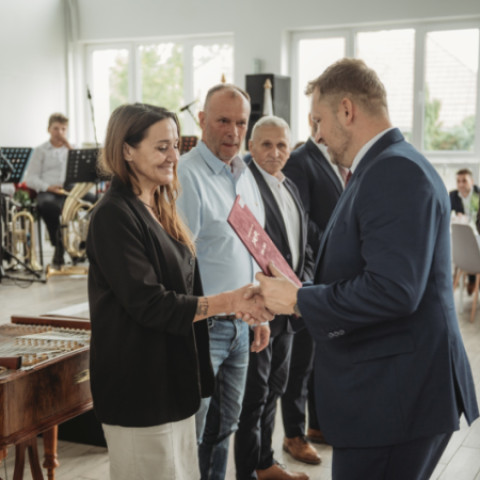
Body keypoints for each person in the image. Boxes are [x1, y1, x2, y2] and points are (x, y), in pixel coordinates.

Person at [251, 58, 479, 480]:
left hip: (394, 399)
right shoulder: (384, 165)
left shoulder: (393, 170)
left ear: (347, 110)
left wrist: (300, 300)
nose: (317, 135)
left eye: (318, 120)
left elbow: (392, 289)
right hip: (393, 393)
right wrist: (292, 295)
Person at [86, 103, 272, 480]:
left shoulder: (160, 204)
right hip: (139, 384)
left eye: (175, 145)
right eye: (161, 147)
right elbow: (150, 304)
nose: (174, 156)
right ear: (126, 150)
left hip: (174, 376)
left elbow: (187, 283)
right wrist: (228, 301)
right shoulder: (113, 215)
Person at [177, 84, 271, 480]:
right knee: (193, 433)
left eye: (241, 123)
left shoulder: (244, 173)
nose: (233, 131)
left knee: (224, 428)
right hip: (205, 327)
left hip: (241, 325)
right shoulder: (186, 174)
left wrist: (258, 314)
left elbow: (251, 249)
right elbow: (179, 263)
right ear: (201, 120)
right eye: (223, 121)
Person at [234, 116, 314, 480]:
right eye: (266, 144)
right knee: (254, 395)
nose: (275, 152)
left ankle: (265, 463)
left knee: (275, 389)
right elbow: (245, 252)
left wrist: (302, 289)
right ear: (251, 147)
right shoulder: (245, 187)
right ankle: (249, 471)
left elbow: (304, 245)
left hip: (289, 308)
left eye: (282, 145)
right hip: (262, 309)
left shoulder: (289, 185)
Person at [280, 117, 345, 464]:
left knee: (321, 358)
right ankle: (293, 433)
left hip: (329, 281)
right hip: (307, 276)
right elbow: (300, 221)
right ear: (315, 122)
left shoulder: (337, 161)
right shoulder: (299, 161)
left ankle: (318, 425)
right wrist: (340, 240)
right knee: (301, 363)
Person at [23, 113, 73, 267]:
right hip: (48, 190)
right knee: (47, 205)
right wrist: (48, 187)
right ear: (49, 129)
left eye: (63, 129)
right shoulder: (40, 150)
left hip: (69, 189)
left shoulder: (72, 149)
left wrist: (70, 149)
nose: (60, 133)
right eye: (56, 128)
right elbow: (31, 178)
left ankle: (84, 245)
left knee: (97, 202)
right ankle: (59, 245)